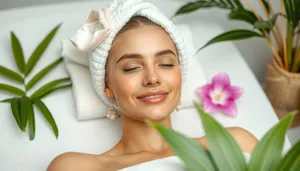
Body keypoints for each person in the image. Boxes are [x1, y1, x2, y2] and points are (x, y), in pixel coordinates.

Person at [47, 0, 258, 170]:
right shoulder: (76, 167)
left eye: (165, 64)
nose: (152, 78)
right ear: (108, 85)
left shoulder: (236, 144)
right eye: (132, 68)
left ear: (180, 76)